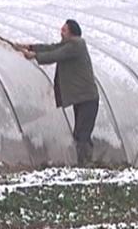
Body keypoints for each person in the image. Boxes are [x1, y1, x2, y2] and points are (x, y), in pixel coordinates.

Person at [16, 20, 99, 166]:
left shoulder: (77, 45)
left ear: (72, 32)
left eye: (64, 30)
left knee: (82, 134)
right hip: (81, 98)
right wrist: (30, 47)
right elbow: (52, 47)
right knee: (80, 132)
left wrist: (35, 55)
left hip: (88, 98)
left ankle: (85, 165)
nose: (61, 32)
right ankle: (84, 164)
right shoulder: (69, 44)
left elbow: (56, 54)